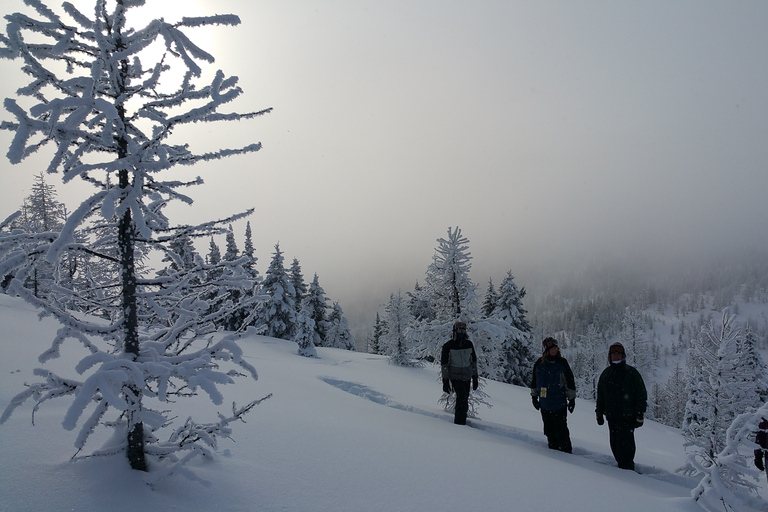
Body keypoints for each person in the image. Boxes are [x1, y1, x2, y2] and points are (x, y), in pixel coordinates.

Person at [595, 341, 647, 470]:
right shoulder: (606, 374)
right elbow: (601, 395)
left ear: (623, 356)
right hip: (612, 416)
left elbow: (641, 394)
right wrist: (599, 412)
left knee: (627, 444)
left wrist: (640, 413)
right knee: (615, 444)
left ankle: (627, 469)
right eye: (613, 354)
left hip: (627, 417)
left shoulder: (631, 373)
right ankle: (621, 466)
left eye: (619, 354)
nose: (616, 356)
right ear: (609, 356)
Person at [529, 337, 576, 453]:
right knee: (549, 431)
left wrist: (572, 399)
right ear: (546, 349)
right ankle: (553, 454)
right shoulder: (539, 364)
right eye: (552, 348)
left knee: (561, 432)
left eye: (556, 348)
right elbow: (534, 382)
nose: (554, 350)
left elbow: (570, 381)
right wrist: (534, 397)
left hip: (559, 404)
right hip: (545, 404)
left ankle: (566, 454)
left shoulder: (562, 363)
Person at [440, 321, 478, 425]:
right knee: (461, 396)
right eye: (459, 329)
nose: (461, 332)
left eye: (463, 330)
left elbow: (473, 361)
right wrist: (445, 380)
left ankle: (462, 422)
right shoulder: (448, 346)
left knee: (464, 399)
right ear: (455, 331)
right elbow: (444, 364)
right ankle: (459, 424)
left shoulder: (468, 344)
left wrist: (475, 377)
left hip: (466, 375)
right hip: (455, 376)